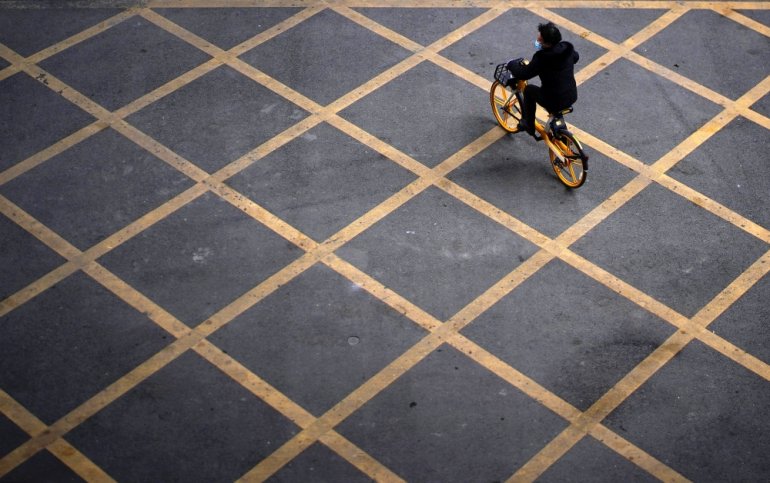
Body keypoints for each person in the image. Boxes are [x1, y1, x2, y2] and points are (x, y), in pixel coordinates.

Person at [506, 22, 579, 138]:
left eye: (540, 40)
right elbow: (576, 57)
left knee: (529, 90)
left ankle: (528, 124)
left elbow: (524, 74)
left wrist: (511, 64)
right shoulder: (566, 48)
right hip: (571, 95)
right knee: (556, 96)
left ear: (547, 43)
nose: (537, 42)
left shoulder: (542, 58)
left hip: (553, 100)